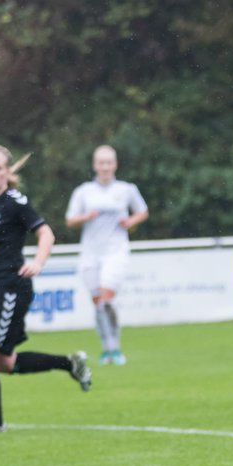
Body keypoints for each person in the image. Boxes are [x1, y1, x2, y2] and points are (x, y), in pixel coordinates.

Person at [0, 146, 93, 436]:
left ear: (7, 172)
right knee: (3, 362)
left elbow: (46, 233)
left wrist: (38, 261)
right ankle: (70, 364)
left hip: (10, 288)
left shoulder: (14, 202)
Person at [65, 144, 149, 365]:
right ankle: (106, 349)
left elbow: (142, 211)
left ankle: (115, 348)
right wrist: (86, 217)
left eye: (109, 162)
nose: (105, 167)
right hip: (91, 254)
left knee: (106, 300)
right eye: (101, 163)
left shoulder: (126, 189)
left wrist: (129, 221)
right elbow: (70, 220)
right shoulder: (83, 192)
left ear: (115, 164)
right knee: (98, 304)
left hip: (116, 251)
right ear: (95, 165)